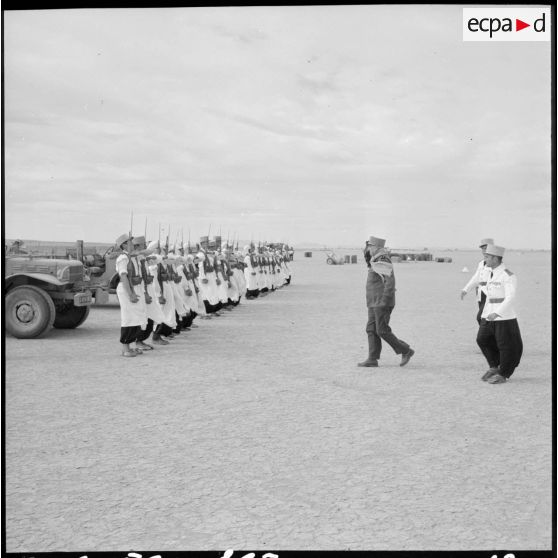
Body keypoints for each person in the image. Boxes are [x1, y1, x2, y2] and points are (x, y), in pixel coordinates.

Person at [358, 235, 414, 368]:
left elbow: (389, 281)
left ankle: (406, 350)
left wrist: (384, 300)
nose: (368, 249)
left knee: (382, 330)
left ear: (376, 247)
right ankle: (372, 359)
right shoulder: (375, 257)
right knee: (371, 329)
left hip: (381, 302)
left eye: (370, 246)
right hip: (373, 301)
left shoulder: (382, 258)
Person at [476, 244, 523, 384]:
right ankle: (495, 366)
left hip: (504, 317)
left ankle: (504, 374)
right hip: (488, 314)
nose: (485, 259)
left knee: (506, 346)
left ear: (496, 259)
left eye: (487, 257)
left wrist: (497, 313)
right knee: (482, 339)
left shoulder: (508, 275)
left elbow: (510, 297)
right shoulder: (490, 273)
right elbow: (489, 292)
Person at [114, 233, 148, 357]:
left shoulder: (133, 257)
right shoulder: (123, 258)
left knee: (137, 317)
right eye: (129, 242)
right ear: (123, 245)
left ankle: (131, 345)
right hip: (127, 289)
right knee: (129, 317)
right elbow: (123, 277)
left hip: (136, 288)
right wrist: (130, 294)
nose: (132, 244)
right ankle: (125, 348)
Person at [460, 238, 494, 324]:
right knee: (484, 319)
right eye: (482, 248)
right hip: (480, 295)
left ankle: (485, 336)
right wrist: (465, 290)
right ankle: (488, 336)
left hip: (490, 295)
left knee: (480, 318)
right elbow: (476, 278)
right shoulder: (481, 263)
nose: (484, 250)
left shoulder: (495, 263)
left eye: (486, 248)